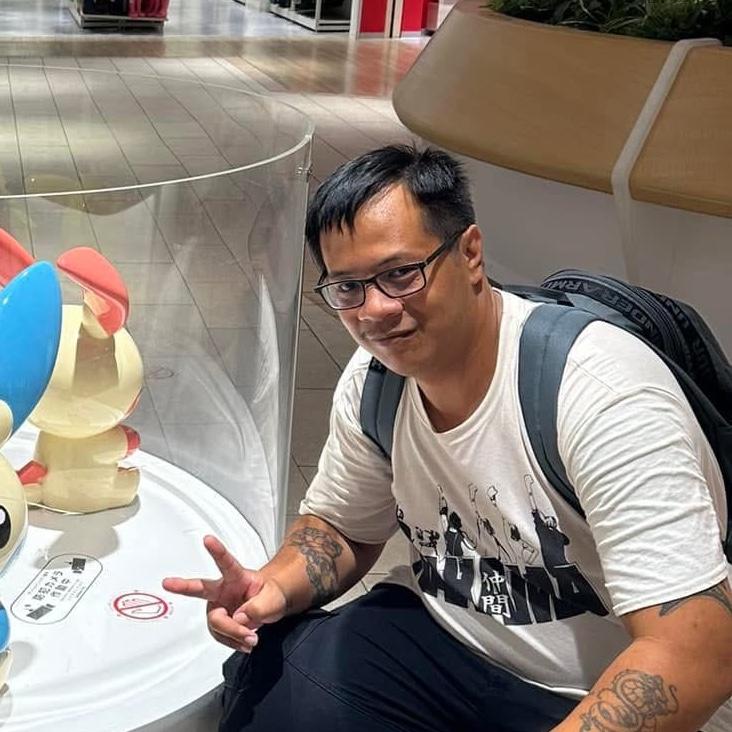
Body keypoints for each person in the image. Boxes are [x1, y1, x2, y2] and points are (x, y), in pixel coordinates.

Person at [163, 145, 732, 732]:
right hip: (442, 639)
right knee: (271, 685)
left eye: (400, 274)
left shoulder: (599, 393)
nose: (375, 310)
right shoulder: (376, 382)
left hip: (582, 689)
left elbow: (694, 652)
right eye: (348, 287)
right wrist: (272, 587)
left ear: (470, 253)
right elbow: (343, 526)